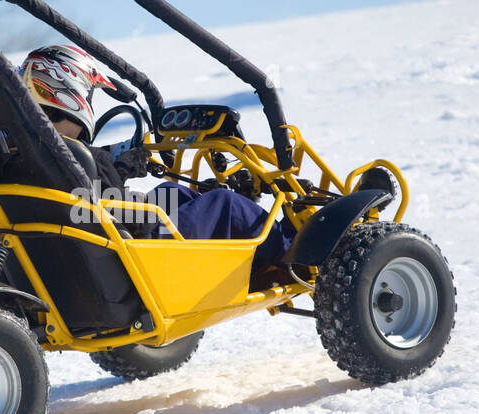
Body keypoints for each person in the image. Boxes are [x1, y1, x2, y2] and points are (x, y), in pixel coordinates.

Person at [17, 45, 289, 267]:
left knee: (171, 191)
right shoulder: (81, 159)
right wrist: (119, 170)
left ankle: (242, 240)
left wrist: (114, 164)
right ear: (69, 95)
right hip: (141, 253)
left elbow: (83, 198)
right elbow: (112, 210)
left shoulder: (29, 153)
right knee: (225, 203)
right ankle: (289, 251)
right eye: (88, 94)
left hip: (77, 251)